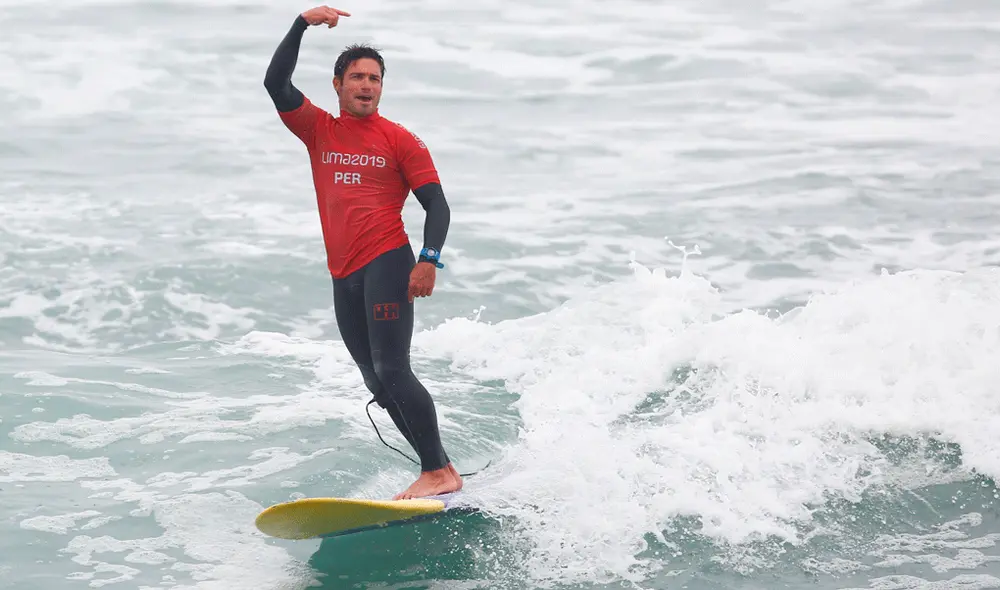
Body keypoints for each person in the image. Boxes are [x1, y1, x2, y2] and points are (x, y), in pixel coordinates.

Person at [263, 5, 462, 500]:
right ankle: (438, 469)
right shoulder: (318, 130)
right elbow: (275, 83)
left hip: (388, 261)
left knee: (394, 368)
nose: (367, 85)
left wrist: (427, 259)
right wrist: (301, 24)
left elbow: (435, 203)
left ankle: (436, 470)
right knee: (375, 380)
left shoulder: (400, 140)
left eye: (375, 78)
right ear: (338, 85)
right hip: (343, 271)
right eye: (357, 77)